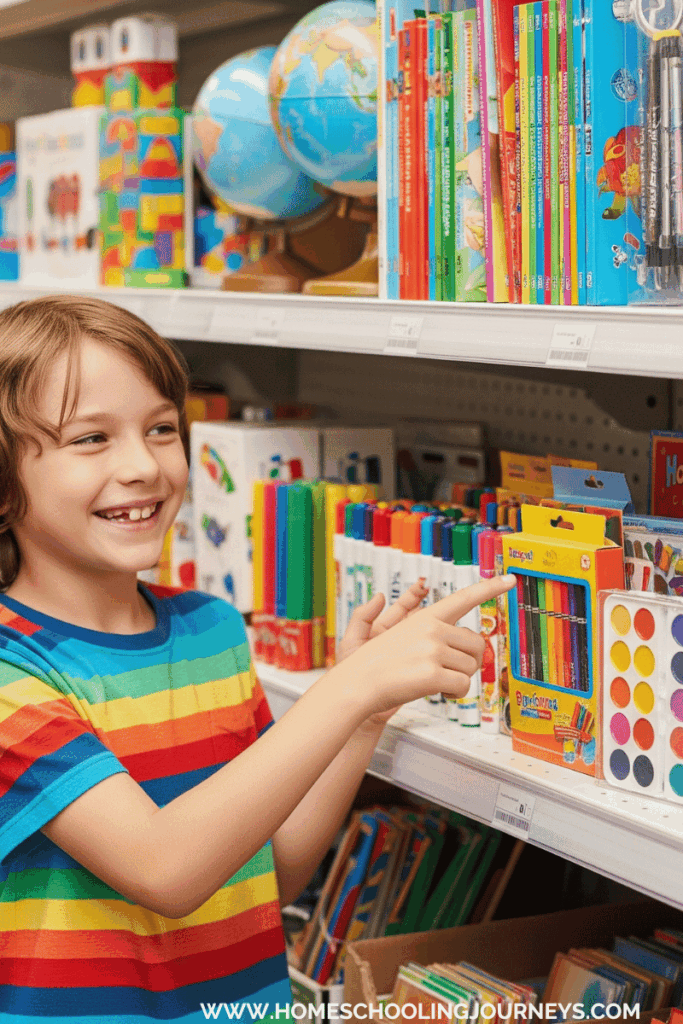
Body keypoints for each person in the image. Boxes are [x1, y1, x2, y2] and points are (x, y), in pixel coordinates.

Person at [0, 295, 514, 1023]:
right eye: (91, 439)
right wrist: (343, 690)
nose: (143, 465)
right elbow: (165, 869)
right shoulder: (12, 668)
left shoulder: (211, 629)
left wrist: (361, 712)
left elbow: (261, 874)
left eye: (161, 430)